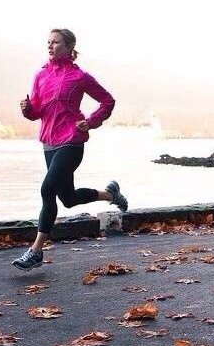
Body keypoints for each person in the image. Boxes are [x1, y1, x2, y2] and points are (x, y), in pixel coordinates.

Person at [12, 28, 128, 271]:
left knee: (47, 189)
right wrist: (27, 109)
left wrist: (91, 121)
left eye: (55, 42)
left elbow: (107, 101)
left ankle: (36, 251)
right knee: (68, 198)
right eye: (48, 42)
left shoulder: (79, 76)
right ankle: (110, 194)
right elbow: (36, 111)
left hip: (72, 140)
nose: (50, 46)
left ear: (69, 47)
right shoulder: (41, 75)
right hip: (49, 141)